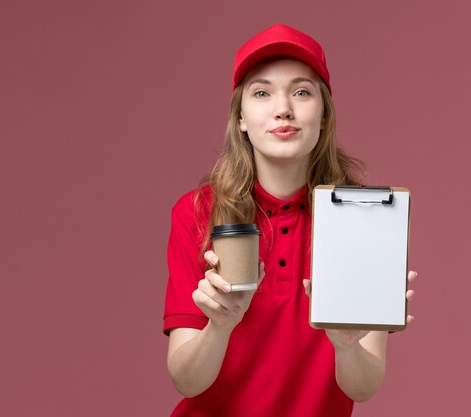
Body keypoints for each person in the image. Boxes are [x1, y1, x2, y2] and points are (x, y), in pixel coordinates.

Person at [163, 23, 417, 417]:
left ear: (325, 116)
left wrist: (347, 344)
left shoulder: (365, 219)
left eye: (301, 92)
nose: (283, 108)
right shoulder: (197, 213)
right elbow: (186, 380)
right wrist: (220, 325)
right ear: (241, 119)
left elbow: (364, 387)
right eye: (262, 93)